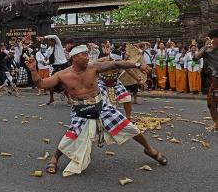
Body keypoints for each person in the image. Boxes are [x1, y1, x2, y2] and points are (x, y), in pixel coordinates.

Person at [25, 44, 167, 176]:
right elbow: (41, 84)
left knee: (128, 127)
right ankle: (55, 158)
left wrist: (138, 64)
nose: (88, 57)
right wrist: (33, 70)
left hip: (101, 105)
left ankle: (149, 149)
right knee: (72, 136)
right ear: (75, 57)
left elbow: (117, 63)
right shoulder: (62, 75)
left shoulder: (94, 67)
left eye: (88, 54)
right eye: (84, 55)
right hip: (81, 109)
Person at [194, 29, 218, 131]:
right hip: (216, 80)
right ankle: (217, 123)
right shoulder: (207, 50)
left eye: (214, 39)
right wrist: (205, 46)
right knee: (211, 102)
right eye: (211, 39)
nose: (212, 41)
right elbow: (195, 58)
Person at [40, 35, 69, 105]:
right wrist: (44, 62)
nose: (50, 42)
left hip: (63, 66)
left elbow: (55, 36)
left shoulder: (59, 45)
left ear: (54, 41)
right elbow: (48, 60)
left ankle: (69, 98)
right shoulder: (49, 49)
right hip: (56, 67)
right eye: (49, 41)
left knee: (66, 83)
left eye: (51, 41)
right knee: (51, 83)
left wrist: (44, 37)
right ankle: (51, 99)